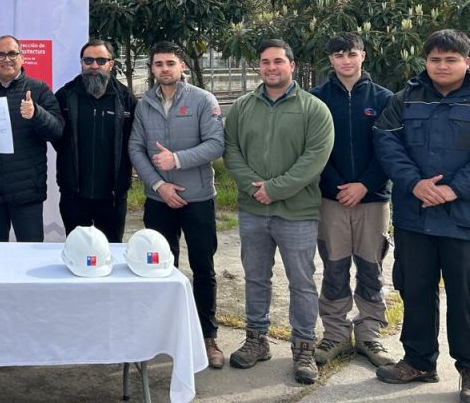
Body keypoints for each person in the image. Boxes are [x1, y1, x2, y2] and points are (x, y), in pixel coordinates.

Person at [373, 29, 470, 403]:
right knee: (415, 292)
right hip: (417, 217)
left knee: (469, 298)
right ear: (425, 61)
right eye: (435, 59)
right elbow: (385, 141)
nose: (442, 66)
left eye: (450, 59)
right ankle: (418, 362)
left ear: (467, 60)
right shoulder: (405, 100)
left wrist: (452, 189)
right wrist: (414, 183)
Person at [223, 39, 333, 385]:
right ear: (260, 67)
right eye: (265, 62)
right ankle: (256, 339)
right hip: (253, 210)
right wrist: (254, 188)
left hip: (297, 212)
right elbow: (231, 151)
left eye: (278, 62)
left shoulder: (314, 109)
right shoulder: (242, 106)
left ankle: (303, 346)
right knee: (256, 278)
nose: (271, 67)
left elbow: (314, 160)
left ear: (292, 65)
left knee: (301, 282)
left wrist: (275, 189)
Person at [128, 41, 226, 369]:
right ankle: (161, 336)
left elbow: (216, 144)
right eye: (158, 64)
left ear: (181, 66)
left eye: (170, 63)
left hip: (198, 199)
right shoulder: (144, 105)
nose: (164, 69)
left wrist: (177, 159)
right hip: (159, 200)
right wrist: (159, 184)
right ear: (152, 69)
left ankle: (207, 336)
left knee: (203, 269)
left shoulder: (202, 100)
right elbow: (136, 148)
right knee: (158, 269)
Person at [309, 33, 394, 368]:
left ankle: (370, 334)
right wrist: (338, 185)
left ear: (364, 56)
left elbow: (390, 149)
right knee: (334, 266)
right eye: (339, 55)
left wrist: (365, 184)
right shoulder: (316, 99)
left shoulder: (385, 99)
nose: (346, 60)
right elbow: (313, 150)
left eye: (352, 54)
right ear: (330, 60)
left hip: (373, 200)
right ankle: (335, 333)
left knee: (371, 268)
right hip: (332, 199)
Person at [0, 35, 63, 242]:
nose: (6, 59)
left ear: (22, 57)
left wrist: (36, 113)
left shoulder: (39, 89)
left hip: (27, 192)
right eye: (0, 54)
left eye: (12, 53)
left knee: (29, 254)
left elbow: (57, 131)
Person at [54, 39, 136, 244]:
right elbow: (56, 135)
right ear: (81, 63)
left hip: (113, 196)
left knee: (111, 252)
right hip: (74, 195)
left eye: (101, 60)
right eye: (88, 60)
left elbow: (134, 140)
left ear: (111, 64)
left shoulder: (126, 98)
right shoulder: (65, 95)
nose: (94, 66)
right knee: (76, 251)